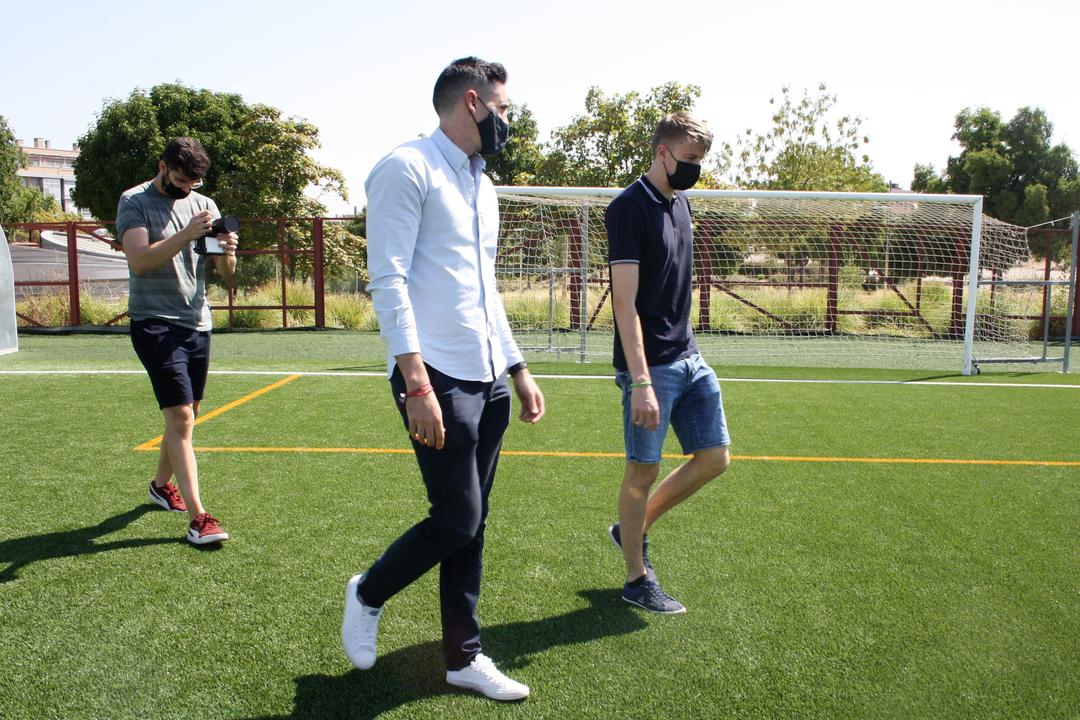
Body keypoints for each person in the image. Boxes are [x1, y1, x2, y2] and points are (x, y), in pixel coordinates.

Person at [341, 57, 545, 701]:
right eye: (503, 108)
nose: (508, 120)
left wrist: (517, 367)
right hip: (434, 374)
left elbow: (485, 291)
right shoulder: (406, 167)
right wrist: (417, 383)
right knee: (457, 517)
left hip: (486, 375)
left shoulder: (483, 186)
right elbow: (388, 281)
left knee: (472, 523)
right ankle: (368, 592)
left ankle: (463, 657)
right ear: (472, 103)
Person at [604, 112, 731, 614]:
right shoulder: (627, 209)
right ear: (663, 152)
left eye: (700, 160)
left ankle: (631, 530)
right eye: (690, 159)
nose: (695, 168)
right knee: (643, 471)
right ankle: (637, 580)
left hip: (689, 356)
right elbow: (624, 304)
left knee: (715, 457)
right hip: (650, 368)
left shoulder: (681, 203)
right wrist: (640, 381)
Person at [116, 137, 238, 546]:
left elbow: (226, 272)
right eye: (182, 180)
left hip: (196, 322)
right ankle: (199, 518)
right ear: (163, 166)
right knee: (182, 417)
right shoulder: (135, 201)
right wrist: (186, 234)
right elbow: (140, 261)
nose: (187, 189)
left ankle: (159, 486)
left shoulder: (205, 206)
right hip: (154, 322)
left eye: (194, 183)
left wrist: (228, 251)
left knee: (188, 414)